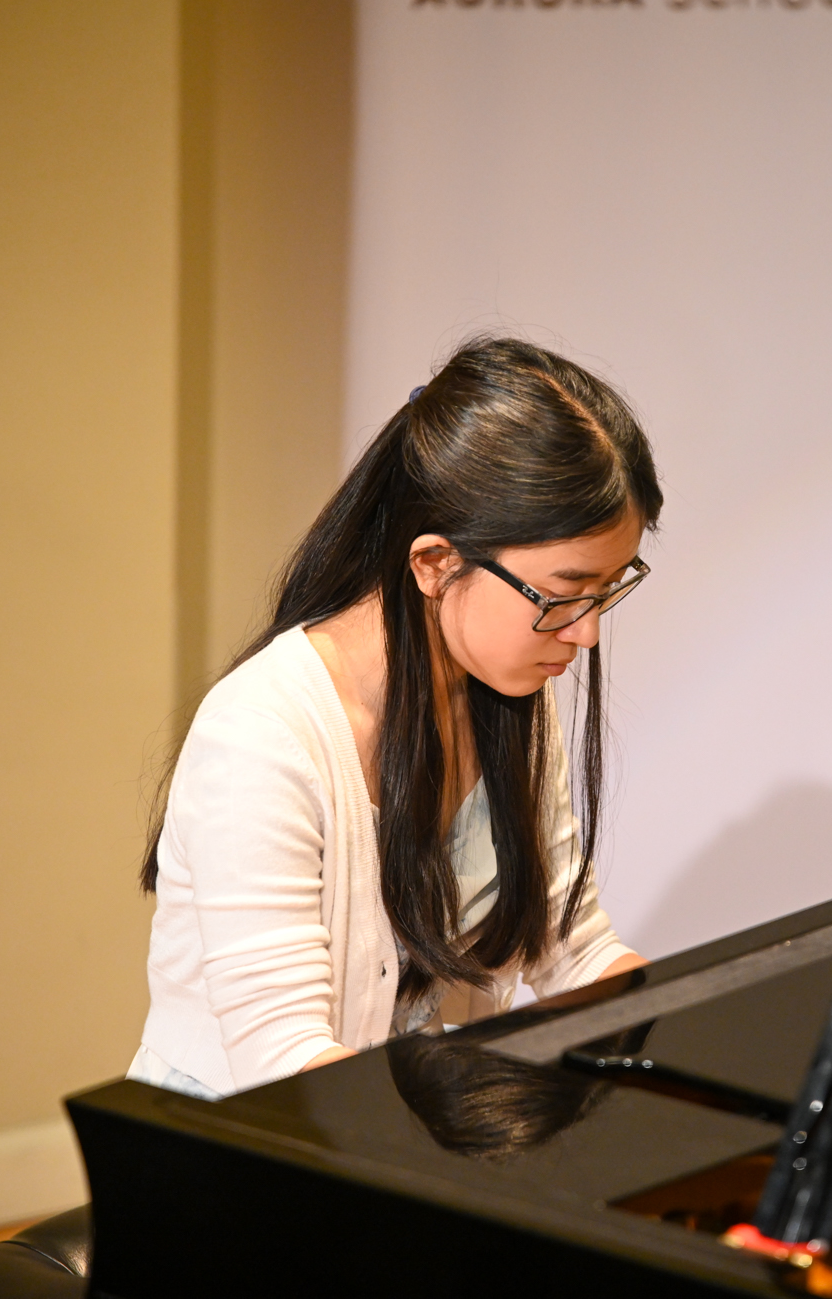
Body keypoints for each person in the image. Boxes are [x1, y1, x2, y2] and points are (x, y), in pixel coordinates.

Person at [128, 336, 660, 1101]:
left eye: (607, 588)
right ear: (436, 563)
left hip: (397, 1135)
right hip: (250, 1145)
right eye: (562, 593)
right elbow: (287, 1063)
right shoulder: (263, 736)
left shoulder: (508, 700)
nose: (586, 633)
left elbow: (572, 951)